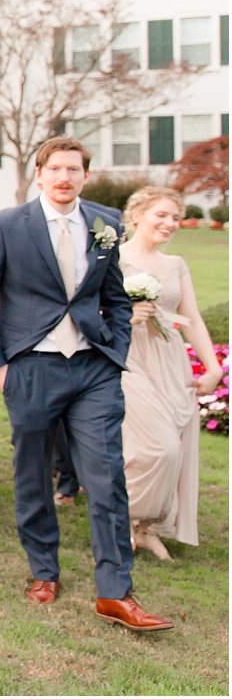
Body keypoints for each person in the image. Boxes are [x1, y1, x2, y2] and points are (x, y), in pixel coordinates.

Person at [0, 136, 172, 631]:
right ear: (39, 174)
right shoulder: (6, 226)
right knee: (32, 472)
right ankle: (43, 570)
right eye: (55, 168)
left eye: (73, 169)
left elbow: (116, 296)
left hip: (93, 368)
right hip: (30, 367)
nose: (64, 177)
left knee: (107, 475)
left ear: (84, 175)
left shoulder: (105, 223)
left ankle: (116, 592)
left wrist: (114, 348)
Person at [118, 187, 225, 559]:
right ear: (137, 215)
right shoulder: (114, 260)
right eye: (160, 215)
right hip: (128, 361)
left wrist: (213, 368)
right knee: (155, 449)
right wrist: (126, 316)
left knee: (175, 450)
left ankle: (145, 529)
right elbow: (91, 314)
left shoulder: (176, 264)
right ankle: (122, 518)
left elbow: (191, 317)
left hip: (170, 359)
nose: (169, 223)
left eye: (175, 217)